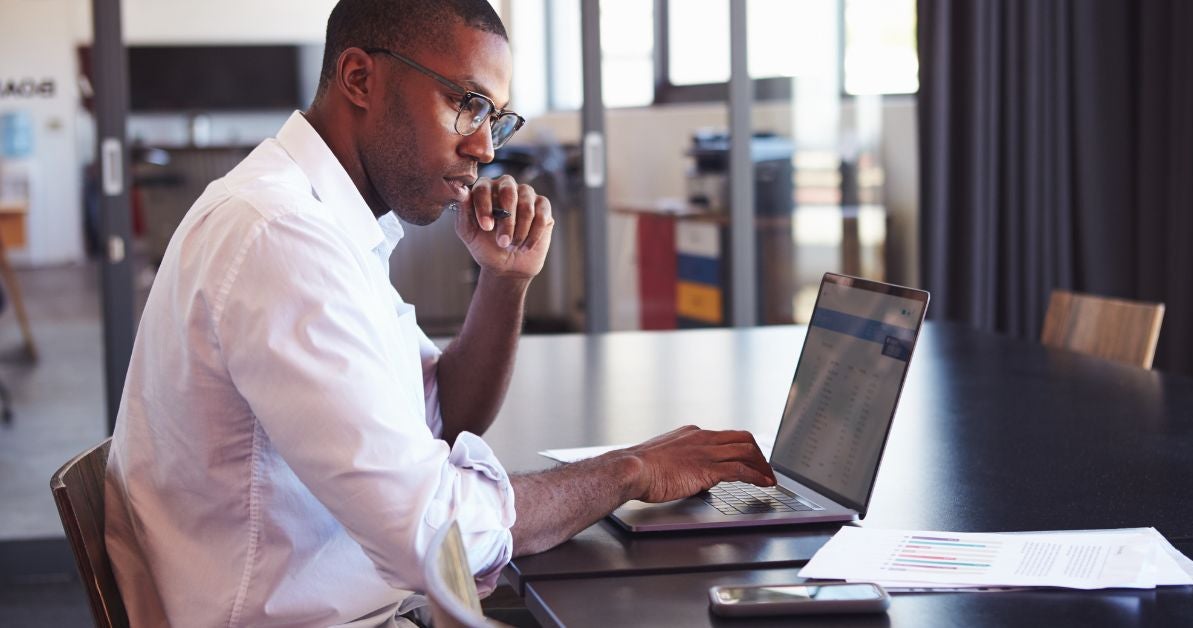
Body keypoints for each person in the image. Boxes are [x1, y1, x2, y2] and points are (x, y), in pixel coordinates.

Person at [104, 1, 775, 626]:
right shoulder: (281, 234)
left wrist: (504, 280)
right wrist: (631, 470)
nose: (485, 148)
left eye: (497, 118)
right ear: (360, 78)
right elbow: (434, 537)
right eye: (468, 104)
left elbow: (442, 412)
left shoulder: (320, 221)